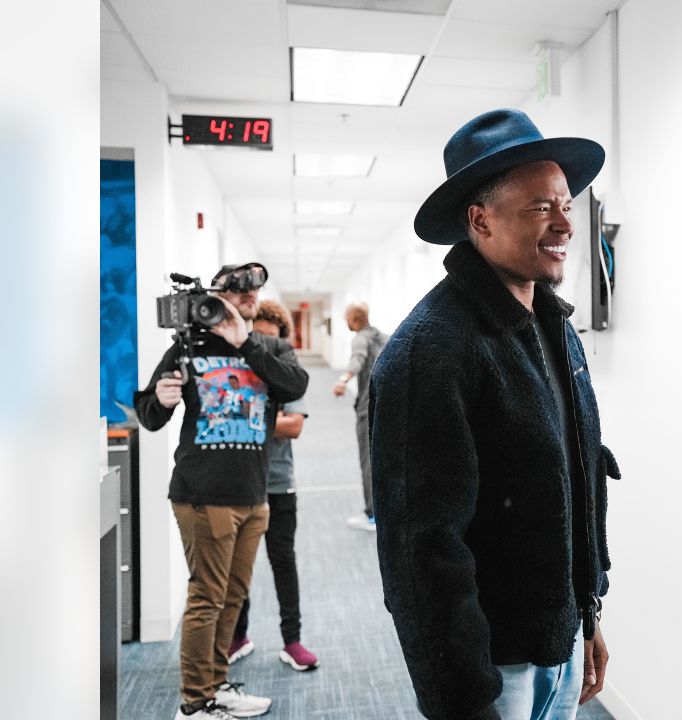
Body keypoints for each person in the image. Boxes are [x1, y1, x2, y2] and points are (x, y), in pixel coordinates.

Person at [369, 108, 621, 720]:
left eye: (566, 203)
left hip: (557, 645)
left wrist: (586, 616)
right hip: (491, 668)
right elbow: (420, 557)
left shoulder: (555, 330)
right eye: (541, 206)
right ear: (478, 220)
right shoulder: (430, 351)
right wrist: (465, 701)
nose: (565, 222)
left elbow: (570, 485)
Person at [136, 263, 309, 720]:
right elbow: (149, 413)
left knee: (232, 597)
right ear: (219, 295)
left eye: (255, 288)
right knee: (207, 597)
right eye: (237, 288)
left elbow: (296, 384)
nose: (249, 294)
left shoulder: (269, 347)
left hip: (255, 495)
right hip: (202, 493)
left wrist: (245, 343)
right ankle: (195, 704)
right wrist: (164, 399)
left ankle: (215, 688)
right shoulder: (189, 348)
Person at [226, 299, 319, 672]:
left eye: (270, 338)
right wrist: (272, 416)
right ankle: (238, 635)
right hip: (240, 483)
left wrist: (247, 415)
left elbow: (294, 425)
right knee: (237, 566)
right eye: (256, 337)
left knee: (283, 561)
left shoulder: (285, 367)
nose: (262, 347)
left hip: (279, 481)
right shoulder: (237, 364)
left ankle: (292, 641)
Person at [332, 301, 387, 532]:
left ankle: (372, 515)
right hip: (387, 407)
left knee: (368, 462)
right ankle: (385, 512)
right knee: (385, 461)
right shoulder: (385, 337)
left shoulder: (360, 338)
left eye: (346, 318)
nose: (345, 322)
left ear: (354, 319)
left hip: (368, 409)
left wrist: (343, 380)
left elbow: (357, 359)